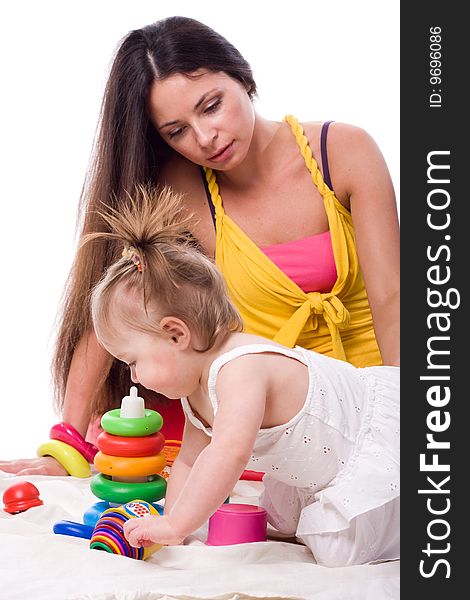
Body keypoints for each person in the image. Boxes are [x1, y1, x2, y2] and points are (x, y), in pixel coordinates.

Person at [0, 16, 399, 477]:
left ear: (242, 76)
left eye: (211, 106)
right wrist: (65, 447)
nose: (205, 138)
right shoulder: (185, 189)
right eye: (176, 131)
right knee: (147, 446)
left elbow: (393, 298)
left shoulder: (343, 151)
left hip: (367, 400)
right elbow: (118, 302)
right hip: (267, 413)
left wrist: (404, 421)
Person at [89, 185, 399, 567]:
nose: (133, 377)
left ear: (176, 334)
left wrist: (177, 523)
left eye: (132, 360)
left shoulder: (239, 368)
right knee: (286, 522)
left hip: (367, 440)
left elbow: (229, 453)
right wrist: (173, 526)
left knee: (338, 549)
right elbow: (189, 462)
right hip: (317, 466)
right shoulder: (194, 392)